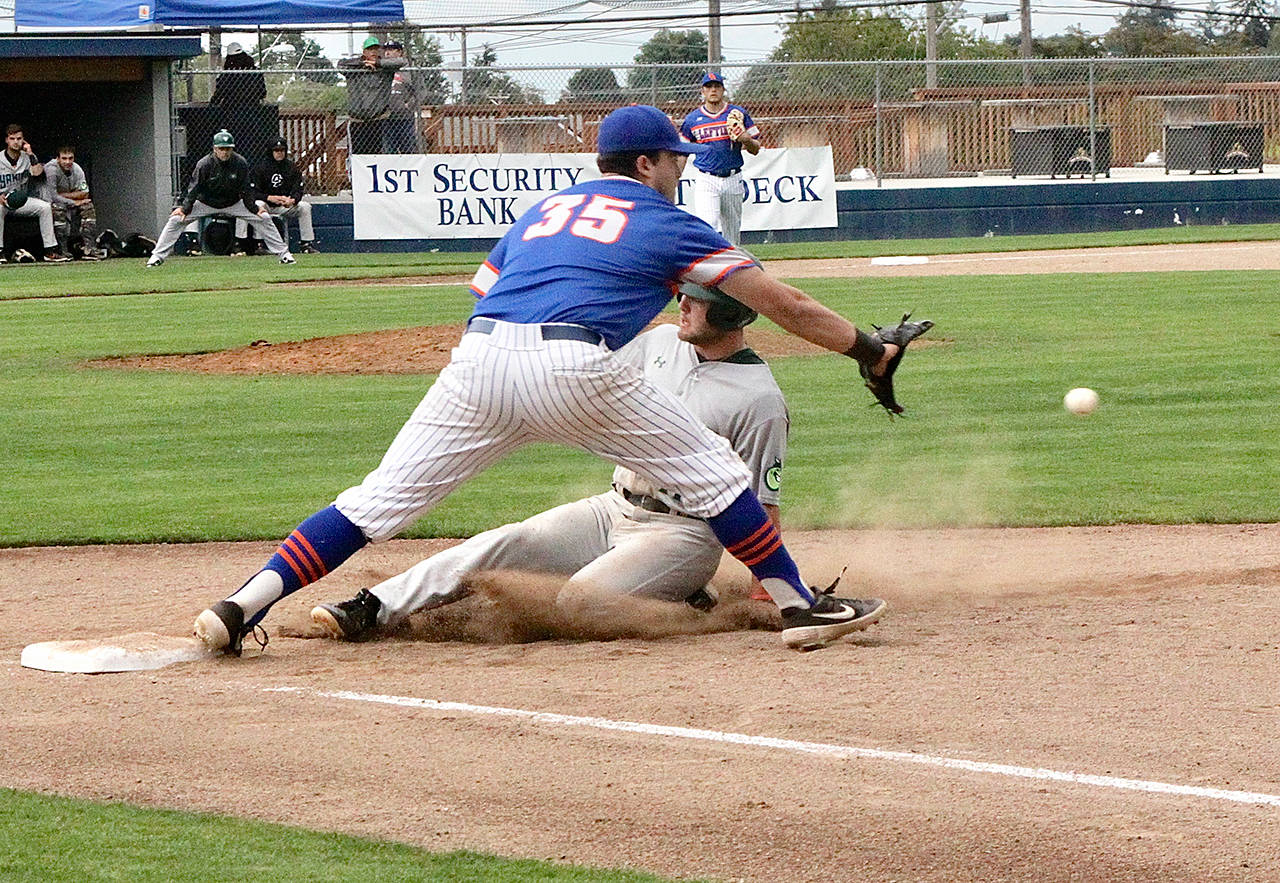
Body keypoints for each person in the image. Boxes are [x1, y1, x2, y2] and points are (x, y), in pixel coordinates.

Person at [193, 104, 925, 657]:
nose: (680, 169)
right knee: (714, 472)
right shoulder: (668, 220)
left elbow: (487, 286)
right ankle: (800, 606)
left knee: (374, 501)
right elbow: (785, 304)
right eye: (673, 158)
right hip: (573, 360)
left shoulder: (544, 211)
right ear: (645, 165)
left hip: (479, 358)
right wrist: (866, 347)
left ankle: (237, 605)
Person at [312, 282, 885, 640]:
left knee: (578, 602)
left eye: (697, 299)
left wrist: (772, 592)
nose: (683, 303)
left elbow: (764, 504)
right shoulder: (658, 342)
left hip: (681, 536)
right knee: (497, 544)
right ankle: (371, 608)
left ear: (731, 316)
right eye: (684, 293)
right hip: (611, 509)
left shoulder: (759, 400)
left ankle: (693, 605)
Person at [146, 129, 294, 267]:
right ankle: (157, 257)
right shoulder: (204, 164)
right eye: (221, 149)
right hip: (206, 202)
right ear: (215, 149)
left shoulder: (240, 163)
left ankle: (284, 254)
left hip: (233, 203)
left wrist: (255, 209)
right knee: (176, 220)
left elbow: (246, 189)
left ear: (232, 149)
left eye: (228, 149)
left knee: (265, 218)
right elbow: (194, 188)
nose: (225, 152)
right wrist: (185, 209)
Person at [680, 71, 761, 246]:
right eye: (709, 87)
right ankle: (711, 270)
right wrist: (675, 175)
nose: (713, 90)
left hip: (733, 177)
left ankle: (733, 270)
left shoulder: (738, 113)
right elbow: (683, 151)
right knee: (708, 225)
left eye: (717, 86)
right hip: (706, 178)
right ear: (702, 91)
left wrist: (746, 139)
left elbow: (755, 149)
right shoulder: (693, 119)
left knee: (732, 233)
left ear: (723, 89)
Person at [234, 137, 318, 254]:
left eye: (282, 150)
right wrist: (269, 197)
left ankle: (306, 244)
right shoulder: (261, 168)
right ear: (271, 151)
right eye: (276, 151)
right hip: (266, 203)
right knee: (257, 204)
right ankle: (259, 244)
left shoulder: (291, 167)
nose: (279, 153)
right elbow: (253, 192)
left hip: (284, 205)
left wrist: (292, 200)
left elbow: (298, 189)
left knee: (305, 207)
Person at [0, 124, 70, 263]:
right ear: (7, 140)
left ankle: (49, 251)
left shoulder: (27, 157)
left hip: (21, 200)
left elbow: (38, 174)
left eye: (19, 138)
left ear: (23, 140)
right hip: (2, 202)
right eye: (12, 138)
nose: (16, 142)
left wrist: (31, 154)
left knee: (44, 207)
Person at [338, 37, 406, 155]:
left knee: (377, 156)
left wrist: (377, 63)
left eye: (376, 49)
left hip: (378, 121)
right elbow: (340, 65)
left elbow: (402, 62)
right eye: (370, 49)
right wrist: (362, 64)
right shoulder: (354, 67)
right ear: (364, 52)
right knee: (357, 157)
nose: (373, 52)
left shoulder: (386, 67)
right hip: (357, 121)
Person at [41, 145, 99, 260]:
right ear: (58, 159)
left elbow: (85, 193)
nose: (67, 162)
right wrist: (74, 201)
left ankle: (89, 249)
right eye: (64, 158)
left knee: (88, 206)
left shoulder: (77, 169)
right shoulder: (51, 169)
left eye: (70, 158)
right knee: (58, 208)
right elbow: (52, 197)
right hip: (49, 203)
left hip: (67, 201)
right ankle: (62, 250)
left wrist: (64, 196)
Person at [381, 40, 422, 153]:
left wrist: (409, 105)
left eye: (391, 50)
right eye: (386, 50)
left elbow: (421, 91)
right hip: (386, 118)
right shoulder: (382, 70)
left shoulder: (409, 70)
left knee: (408, 151)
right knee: (389, 152)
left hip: (405, 118)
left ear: (399, 52)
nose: (387, 53)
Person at [209, 43, 267, 111]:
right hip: (253, 108)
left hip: (230, 109)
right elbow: (262, 92)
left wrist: (213, 102)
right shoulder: (255, 72)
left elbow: (220, 92)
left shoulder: (228, 74)